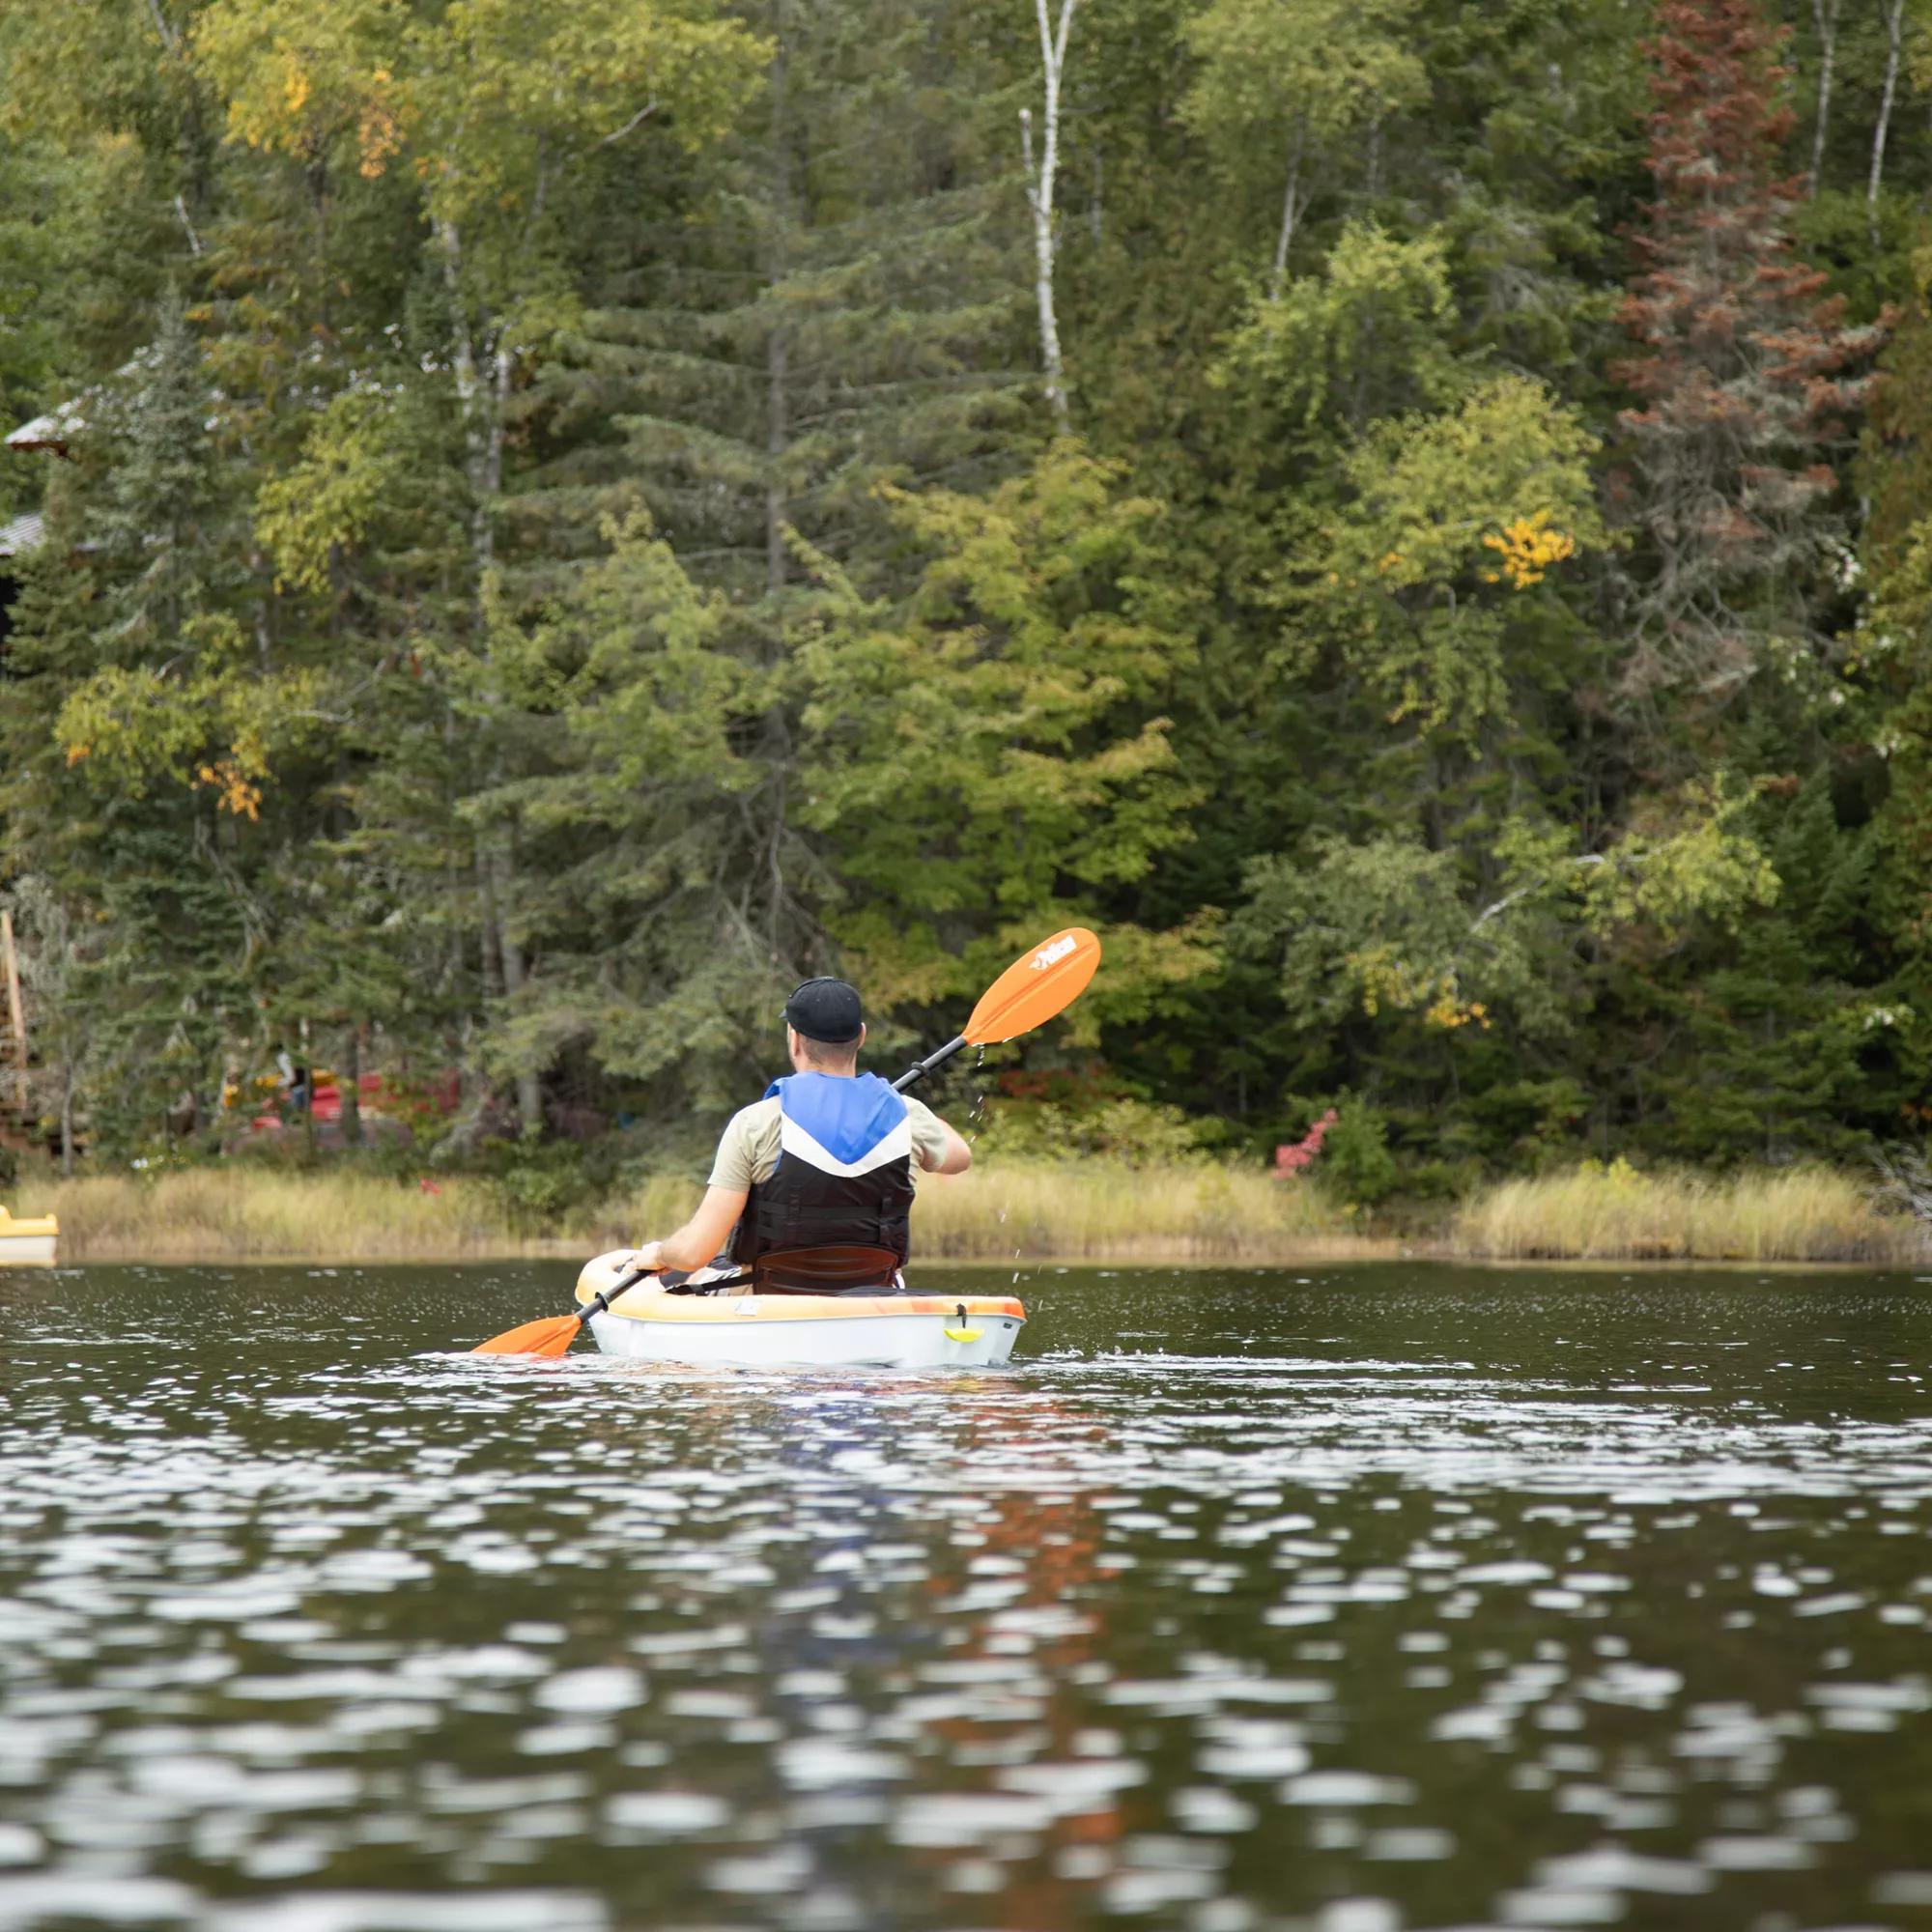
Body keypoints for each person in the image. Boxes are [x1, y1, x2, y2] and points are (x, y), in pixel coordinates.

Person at [628, 977, 973, 1289]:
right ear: (862, 1036)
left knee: (694, 1275)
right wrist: (909, 1109)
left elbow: (692, 1253)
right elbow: (959, 1158)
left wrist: (658, 1254)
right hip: (872, 1292)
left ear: (794, 1039)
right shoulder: (907, 1115)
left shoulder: (754, 1123)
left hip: (771, 1296)